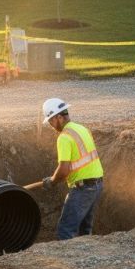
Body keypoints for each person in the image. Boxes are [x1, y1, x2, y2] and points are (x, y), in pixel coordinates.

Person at [40, 98, 104, 240]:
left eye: (51, 120)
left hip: (83, 188)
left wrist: (52, 181)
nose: (51, 125)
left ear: (59, 117)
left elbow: (63, 170)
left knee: (66, 230)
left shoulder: (64, 137)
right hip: (97, 184)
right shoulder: (81, 128)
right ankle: (86, 259)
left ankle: (69, 262)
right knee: (85, 229)